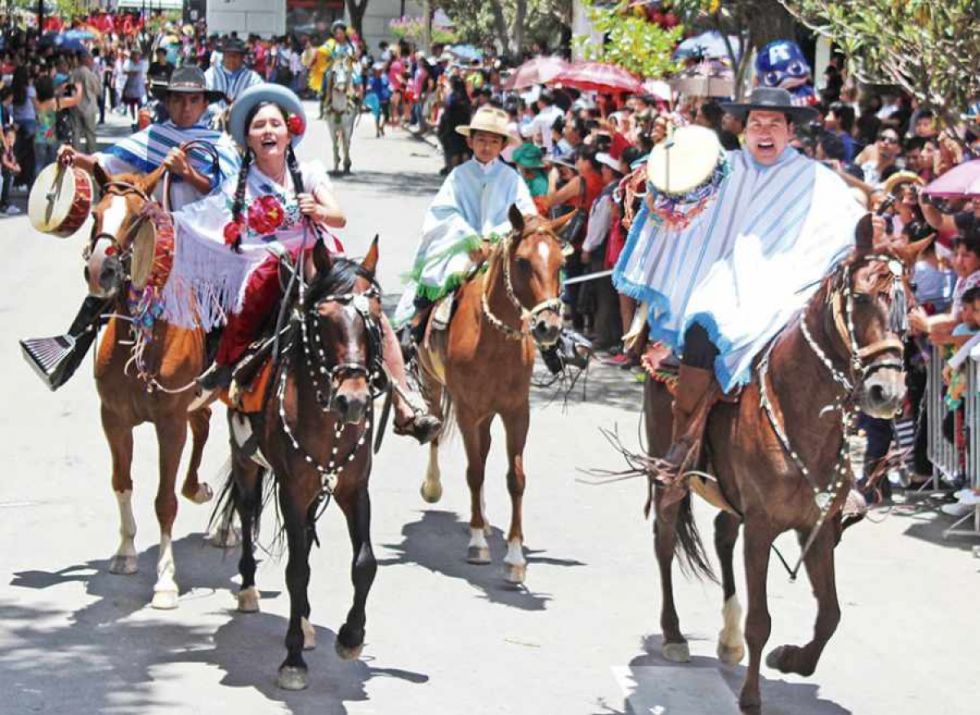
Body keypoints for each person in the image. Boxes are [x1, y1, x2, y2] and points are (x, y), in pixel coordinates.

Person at [613, 86, 881, 486]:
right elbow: (678, 197)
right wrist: (661, 189)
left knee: (829, 349)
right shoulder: (724, 169)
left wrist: (871, 232)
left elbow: (849, 227)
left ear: (791, 130)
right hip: (726, 283)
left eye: (775, 123)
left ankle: (839, 471)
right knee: (702, 326)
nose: (765, 130)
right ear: (744, 129)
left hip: (791, 290)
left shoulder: (817, 180)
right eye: (757, 122)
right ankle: (684, 441)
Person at [162, 84, 438, 443]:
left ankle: (405, 400)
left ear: (289, 132)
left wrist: (318, 210)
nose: (268, 131)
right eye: (259, 126)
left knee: (368, 307)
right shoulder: (238, 185)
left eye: (275, 124)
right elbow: (206, 218)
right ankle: (224, 369)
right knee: (251, 299)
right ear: (247, 138)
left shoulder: (308, 174)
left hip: (316, 260)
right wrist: (166, 221)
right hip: (265, 264)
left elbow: (338, 218)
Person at [394, 105, 537, 333]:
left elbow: (526, 215)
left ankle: (550, 340)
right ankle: (417, 329)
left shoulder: (511, 178)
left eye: (493, 141)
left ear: (502, 145)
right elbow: (444, 212)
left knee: (535, 286)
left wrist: (494, 238)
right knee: (439, 273)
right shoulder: (458, 176)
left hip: (502, 247)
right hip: (461, 245)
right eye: (481, 140)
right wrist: (470, 238)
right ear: (470, 142)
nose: (487, 147)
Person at [59, 66, 240, 209]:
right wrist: (76, 157)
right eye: (178, 99)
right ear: (167, 103)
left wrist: (187, 172)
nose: (186, 108)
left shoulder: (219, 144)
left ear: (204, 105)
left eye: (194, 100)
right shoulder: (153, 137)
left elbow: (226, 191)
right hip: (157, 234)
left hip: (200, 236)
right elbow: (106, 164)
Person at [204, 37, 263, 116]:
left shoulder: (252, 78)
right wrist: (222, 113)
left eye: (235, 56)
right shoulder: (211, 74)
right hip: (213, 121)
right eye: (228, 55)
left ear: (242, 57)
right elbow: (203, 98)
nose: (232, 59)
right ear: (223, 56)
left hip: (242, 120)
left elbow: (260, 98)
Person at [71, 50, 102, 153]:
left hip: (75, 104)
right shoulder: (89, 73)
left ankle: (75, 155)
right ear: (85, 59)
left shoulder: (74, 73)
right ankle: (91, 154)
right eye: (90, 58)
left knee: (76, 132)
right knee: (90, 133)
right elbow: (97, 89)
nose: (92, 61)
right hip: (88, 105)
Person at [0, 124, 21, 216]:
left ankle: (5, 203)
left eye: (13, 137)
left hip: (5, 173)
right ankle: (3, 206)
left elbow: (12, 158)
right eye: (8, 137)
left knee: (10, 178)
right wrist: (14, 167)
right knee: (4, 180)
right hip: (2, 173)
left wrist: (15, 164)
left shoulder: (10, 148)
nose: (11, 139)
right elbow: (4, 161)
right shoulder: (3, 148)